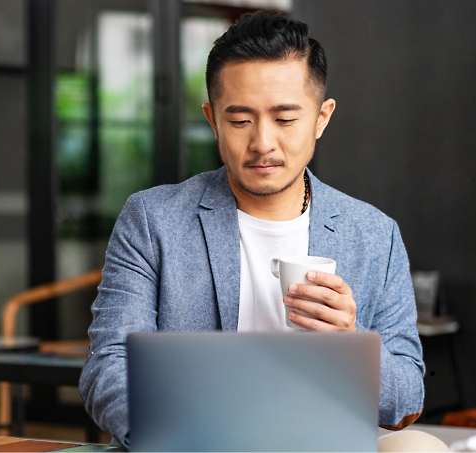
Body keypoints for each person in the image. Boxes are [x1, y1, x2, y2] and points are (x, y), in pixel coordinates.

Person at [78, 11, 424, 447]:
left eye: (285, 119)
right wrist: (186, 437)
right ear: (212, 119)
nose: (262, 142)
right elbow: (107, 366)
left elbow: (408, 398)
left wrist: (350, 345)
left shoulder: (374, 234)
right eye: (240, 120)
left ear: (321, 118)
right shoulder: (153, 219)